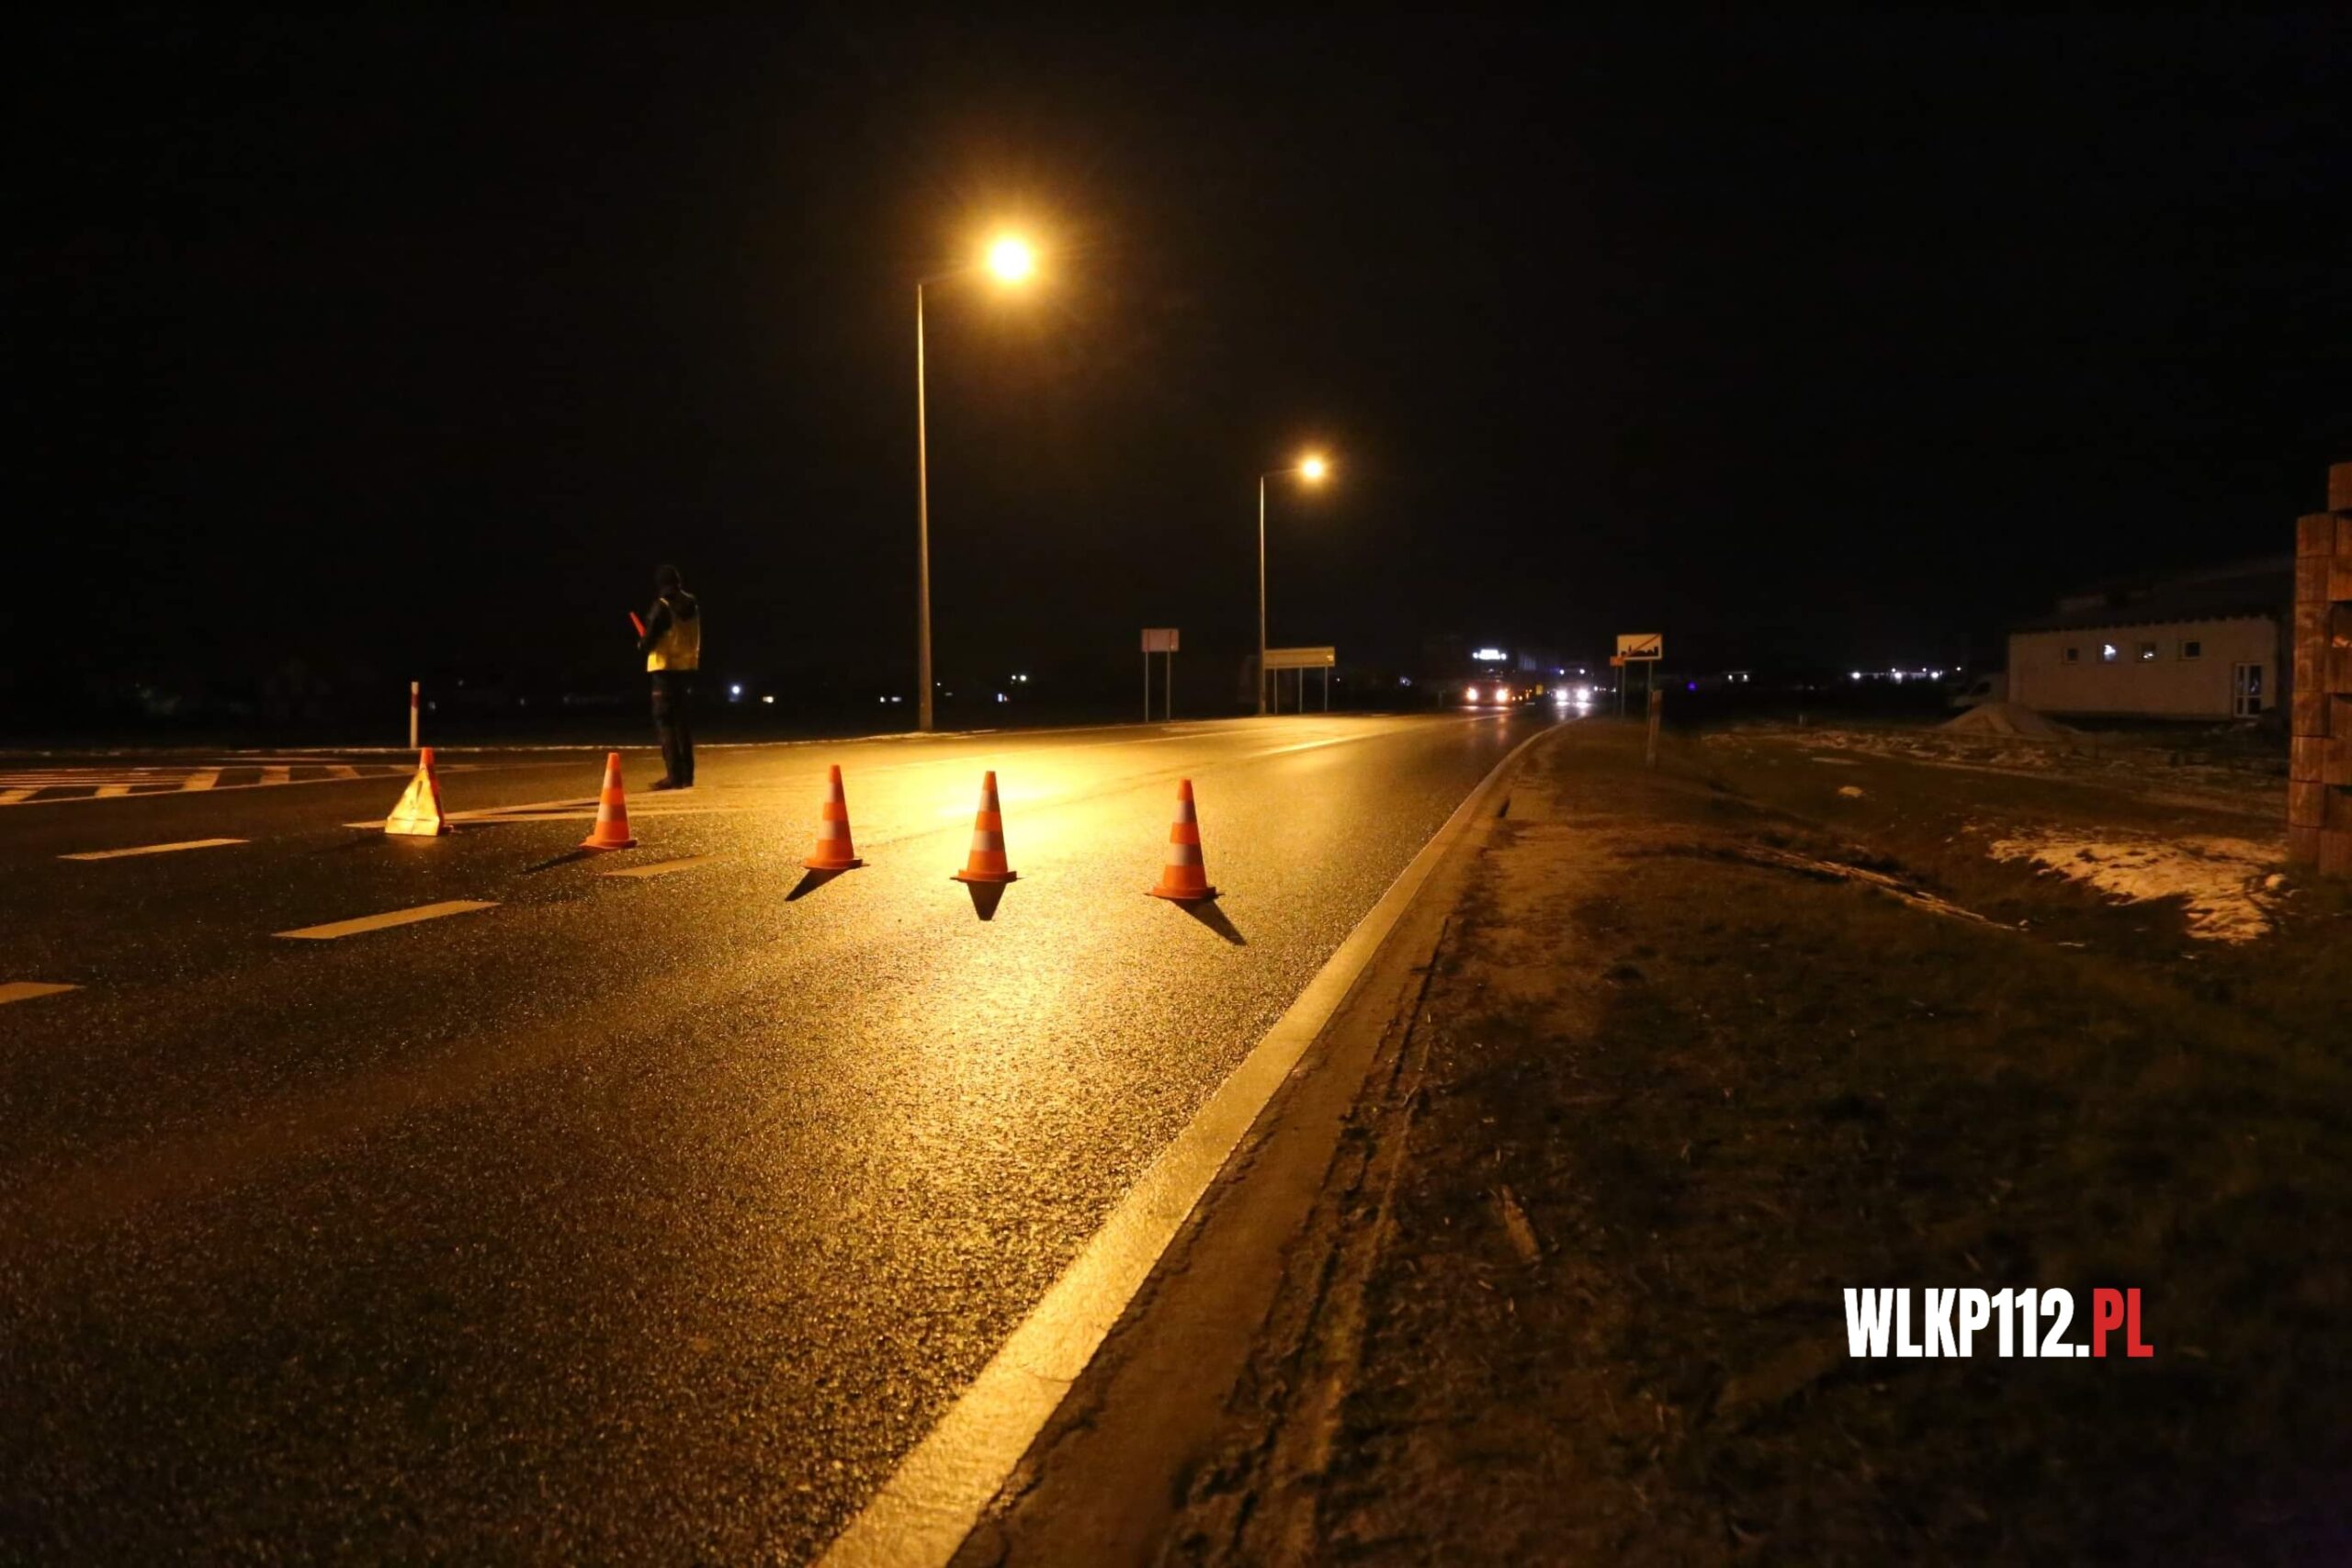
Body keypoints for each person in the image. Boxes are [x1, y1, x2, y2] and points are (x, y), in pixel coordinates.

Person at [636, 564, 702, 790]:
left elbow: (648, 641)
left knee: (665, 723)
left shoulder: (662, 606)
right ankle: (687, 776)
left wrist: (642, 643)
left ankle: (673, 775)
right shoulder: (692, 604)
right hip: (686, 669)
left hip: (664, 670)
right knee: (683, 723)